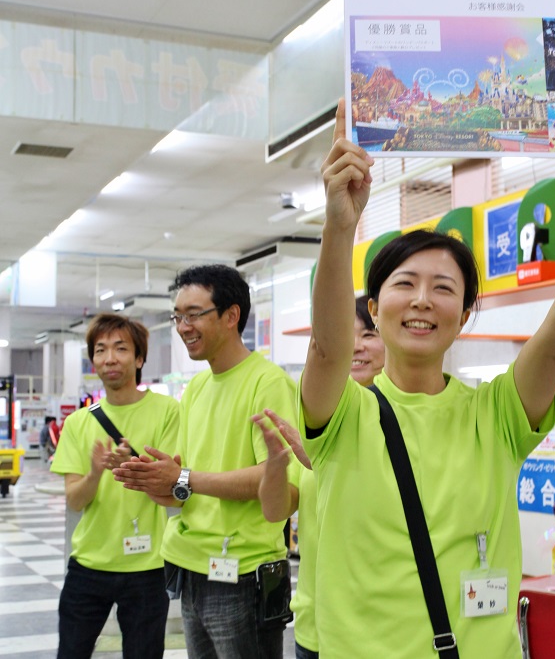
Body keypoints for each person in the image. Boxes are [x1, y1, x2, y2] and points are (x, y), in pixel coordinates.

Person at [295, 99, 555, 658]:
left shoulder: (495, 414)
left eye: (444, 288)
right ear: (373, 309)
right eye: (405, 284)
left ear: (465, 315)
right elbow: (326, 350)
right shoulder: (345, 411)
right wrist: (338, 225)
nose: (423, 299)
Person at [113, 264, 297, 659]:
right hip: (189, 568)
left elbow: (276, 479)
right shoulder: (196, 387)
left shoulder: (268, 382)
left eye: (194, 314)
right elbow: (185, 486)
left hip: (243, 573)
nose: (182, 327)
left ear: (231, 316)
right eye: (177, 316)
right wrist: (157, 483)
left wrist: (183, 477)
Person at [255, 295, 385, 659]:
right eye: (346, 333)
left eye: (370, 334)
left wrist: (319, 461)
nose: (356, 345)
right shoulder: (311, 417)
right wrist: (276, 466)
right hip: (317, 621)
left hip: (387, 626)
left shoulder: (403, 416)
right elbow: (276, 510)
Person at [50, 313, 179, 659]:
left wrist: (132, 468)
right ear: (93, 360)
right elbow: (75, 501)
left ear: (138, 359)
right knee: (71, 652)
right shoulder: (78, 423)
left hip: (148, 567)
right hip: (88, 565)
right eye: (101, 349)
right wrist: (94, 473)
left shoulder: (168, 411)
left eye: (121, 349)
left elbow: (172, 484)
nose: (109, 358)